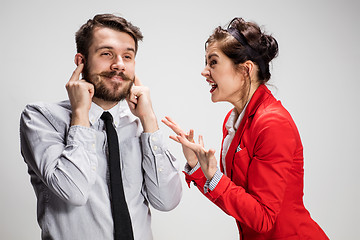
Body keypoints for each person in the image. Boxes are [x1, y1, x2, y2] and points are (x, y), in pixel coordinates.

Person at [162, 17, 328, 239]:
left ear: (245, 69)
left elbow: (263, 217)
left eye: (213, 62)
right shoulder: (234, 121)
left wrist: (213, 175)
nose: (204, 71)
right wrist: (197, 166)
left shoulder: (272, 124)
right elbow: (238, 201)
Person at [20, 13, 182, 240]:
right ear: (81, 61)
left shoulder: (139, 125)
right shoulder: (41, 118)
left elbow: (166, 201)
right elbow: (73, 192)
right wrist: (80, 115)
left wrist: (149, 120)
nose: (119, 64)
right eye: (107, 54)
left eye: (128, 56)